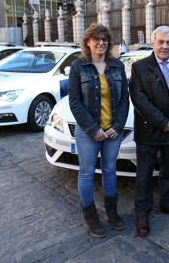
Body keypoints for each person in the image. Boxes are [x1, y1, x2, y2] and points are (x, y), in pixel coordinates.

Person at [68, 24, 129, 238]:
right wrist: (93, 129)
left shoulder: (117, 66)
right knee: (86, 173)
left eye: (104, 38)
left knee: (110, 170)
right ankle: (91, 217)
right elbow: (74, 102)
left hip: (112, 132)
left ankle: (112, 213)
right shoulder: (78, 67)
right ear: (87, 42)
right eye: (96, 38)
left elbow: (124, 99)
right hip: (88, 132)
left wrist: (117, 127)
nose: (101, 42)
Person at [130, 26, 169, 237]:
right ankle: (142, 214)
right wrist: (162, 122)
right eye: (161, 42)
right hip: (149, 131)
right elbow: (139, 100)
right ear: (153, 42)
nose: (165, 46)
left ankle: (167, 203)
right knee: (144, 175)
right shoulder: (140, 67)